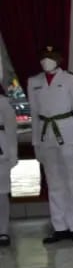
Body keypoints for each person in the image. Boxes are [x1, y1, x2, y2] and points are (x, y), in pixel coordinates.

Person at [29, 45, 73, 244]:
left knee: (72, 181)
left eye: (51, 56)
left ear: (59, 59)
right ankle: (60, 226)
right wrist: (36, 144)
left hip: (67, 133)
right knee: (54, 183)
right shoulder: (34, 82)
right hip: (46, 135)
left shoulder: (70, 79)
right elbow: (34, 114)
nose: (47, 60)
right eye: (44, 57)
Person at [0, 71, 16, 247]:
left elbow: (11, 129)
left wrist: (13, 154)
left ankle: (3, 230)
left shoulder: (3, 102)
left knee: (1, 193)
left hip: (1, 149)